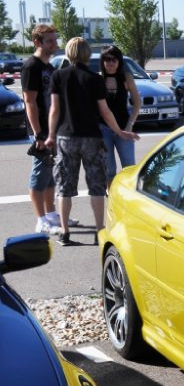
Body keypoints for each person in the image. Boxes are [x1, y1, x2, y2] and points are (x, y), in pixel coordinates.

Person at [44, 37, 139, 246]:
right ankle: (99, 230)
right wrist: (120, 132)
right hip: (92, 138)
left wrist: (50, 135)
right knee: (97, 186)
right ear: (88, 54)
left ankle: (65, 232)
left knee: (64, 187)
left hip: (65, 137)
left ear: (69, 53)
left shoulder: (58, 76)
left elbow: (55, 109)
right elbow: (105, 112)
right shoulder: (95, 79)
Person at [21, 24, 67, 234]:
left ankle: (51, 215)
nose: (55, 44)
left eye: (55, 40)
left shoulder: (49, 67)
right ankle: (41, 220)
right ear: (38, 42)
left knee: (49, 175)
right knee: (39, 176)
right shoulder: (32, 66)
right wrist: (38, 133)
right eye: (50, 41)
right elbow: (29, 101)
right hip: (41, 131)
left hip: (52, 130)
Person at [98, 46, 140, 177]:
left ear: (119, 61)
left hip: (124, 127)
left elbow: (138, 102)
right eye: (107, 59)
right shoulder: (98, 79)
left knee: (129, 169)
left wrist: (130, 125)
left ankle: (127, 197)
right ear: (103, 61)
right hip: (103, 129)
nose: (110, 63)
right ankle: (110, 195)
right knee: (108, 170)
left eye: (114, 60)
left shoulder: (126, 77)